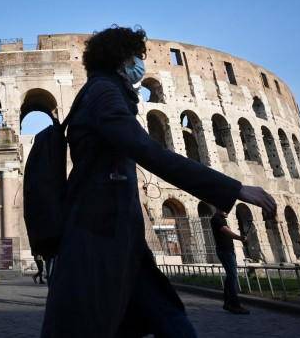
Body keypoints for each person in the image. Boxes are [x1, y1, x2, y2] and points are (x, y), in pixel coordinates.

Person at [41, 26, 276, 337]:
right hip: (99, 232)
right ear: (121, 58)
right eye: (137, 56)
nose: (142, 63)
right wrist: (233, 188)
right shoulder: (104, 93)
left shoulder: (102, 91)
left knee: (167, 319)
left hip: (117, 235)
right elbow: (147, 149)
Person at [210, 210, 249, 314]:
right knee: (232, 276)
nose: (228, 212)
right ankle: (234, 304)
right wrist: (240, 238)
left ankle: (227, 303)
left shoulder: (222, 219)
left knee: (230, 276)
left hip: (228, 251)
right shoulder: (217, 219)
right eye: (226, 209)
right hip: (225, 251)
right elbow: (226, 231)